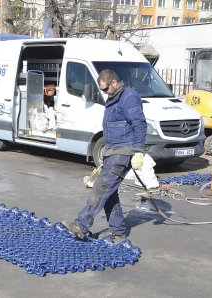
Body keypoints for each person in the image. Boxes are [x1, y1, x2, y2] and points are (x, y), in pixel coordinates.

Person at [62, 69, 147, 242]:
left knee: (100, 189)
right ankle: (118, 230)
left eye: (106, 88)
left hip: (123, 153)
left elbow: (139, 124)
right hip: (112, 152)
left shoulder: (129, 97)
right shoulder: (114, 97)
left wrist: (138, 151)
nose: (104, 92)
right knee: (110, 193)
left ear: (115, 82)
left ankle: (81, 225)